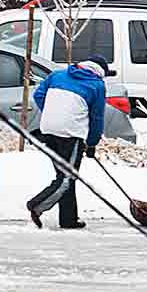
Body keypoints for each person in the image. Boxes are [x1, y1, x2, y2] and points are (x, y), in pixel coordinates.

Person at [26, 59, 108, 230]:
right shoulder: (97, 85)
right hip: (70, 134)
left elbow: (38, 95)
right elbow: (97, 117)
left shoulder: (57, 75)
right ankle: (37, 205)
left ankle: (68, 219)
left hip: (48, 130)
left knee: (65, 176)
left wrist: (54, 113)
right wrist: (92, 143)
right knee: (67, 177)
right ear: (100, 72)